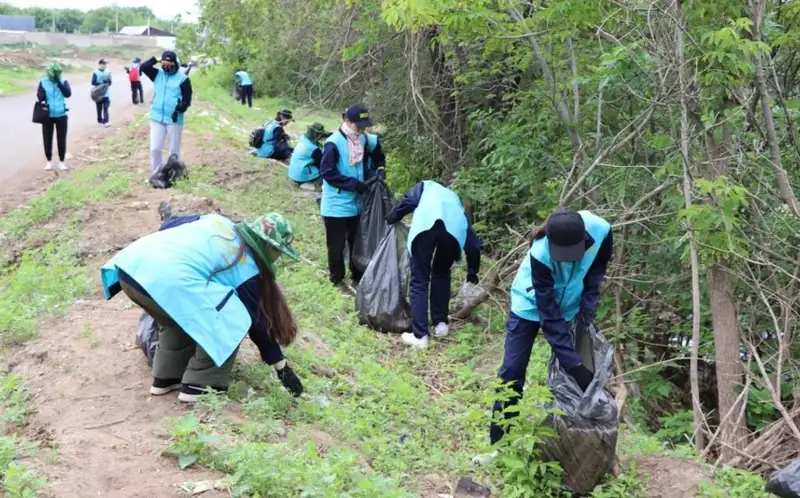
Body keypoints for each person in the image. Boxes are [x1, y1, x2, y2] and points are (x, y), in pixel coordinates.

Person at [100, 212, 305, 402]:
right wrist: (281, 367)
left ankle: (166, 378)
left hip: (130, 271)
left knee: (178, 320)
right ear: (270, 247)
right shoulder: (247, 266)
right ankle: (201, 386)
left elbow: (168, 225)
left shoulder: (216, 220)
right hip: (165, 283)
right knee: (233, 320)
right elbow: (258, 324)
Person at [486, 209, 613, 450]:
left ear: (584, 239)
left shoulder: (602, 230)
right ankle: (500, 445)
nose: (565, 261)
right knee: (512, 372)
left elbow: (598, 268)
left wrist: (588, 303)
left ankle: (566, 443)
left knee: (569, 379)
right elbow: (549, 314)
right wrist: (574, 364)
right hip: (530, 304)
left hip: (572, 307)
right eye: (560, 255)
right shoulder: (540, 252)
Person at [386, 181, 481, 349]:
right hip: (452, 233)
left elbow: (410, 202)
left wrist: (393, 217)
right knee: (442, 273)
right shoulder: (455, 200)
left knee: (420, 279)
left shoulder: (426, 186)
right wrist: (472, 273)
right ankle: (441, 325)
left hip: (425, 226)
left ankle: (420, 336)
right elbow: (473, 245)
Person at [319, 104, 386, 288]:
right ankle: (337, 279)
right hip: (336, 204)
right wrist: (352, 184)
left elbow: (365, 162)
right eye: (359, 125)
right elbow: (327, 172)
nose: (362, 129)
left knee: (356, 242)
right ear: (347, 121)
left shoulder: (362, 139)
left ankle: (357, 277)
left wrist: (376, 172)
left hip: (356, 202)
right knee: (337, 245)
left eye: (365, 125)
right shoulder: (333, 143)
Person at [140, 51, 193, 177]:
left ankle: (173, 175)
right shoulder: (157, 74)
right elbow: (144, 67)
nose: (167, 66)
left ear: (176, 64)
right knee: (155, 149)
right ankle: (157, 175)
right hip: (157, 117)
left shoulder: (183, 80)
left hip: (174, 119)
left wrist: (182, 106)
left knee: (173, 152)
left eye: (170, 63)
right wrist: (158, 59)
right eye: (164, 63)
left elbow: (187, 99)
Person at [37, 63, 71, 171]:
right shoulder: (43, 81)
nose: (56, 75)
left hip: (61, 114)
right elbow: (40, 96)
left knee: (61, 139)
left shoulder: (63, 81)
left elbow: (68, 94)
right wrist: (41, 94)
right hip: (48, 115)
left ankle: (61, 162)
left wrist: (59, 82)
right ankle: (49, 161)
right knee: (47, 139)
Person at [91, 58, 112, 127]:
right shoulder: (95, 72)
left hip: (106, 94)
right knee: (99, 109)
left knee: (106, 107)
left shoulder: (108, 72)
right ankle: (100, 121)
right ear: (100, 64)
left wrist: (108, 82)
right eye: (104, 64)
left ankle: (106, 121)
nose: (105, 65)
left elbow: (110, 82)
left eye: (106, 64)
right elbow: (93, 82)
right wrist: (102, 82)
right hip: (98, 94)